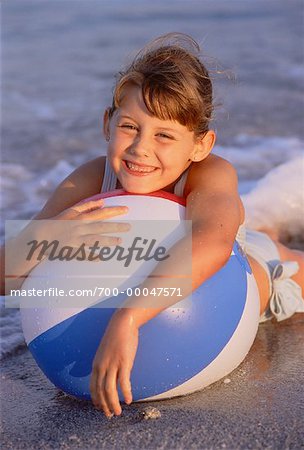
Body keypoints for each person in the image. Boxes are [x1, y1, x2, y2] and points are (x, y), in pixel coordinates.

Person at [1, 33, 303, 419]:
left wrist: (129, 317)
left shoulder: (210, 174)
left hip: (242, 273)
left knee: (285, 267)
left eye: (164, 135)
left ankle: (275, 242)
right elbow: (5, 276)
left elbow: (211, 243)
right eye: (130, 127)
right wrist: (50, 237)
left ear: (200, 145)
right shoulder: (90, 180)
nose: (141, 148)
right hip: (157, 254)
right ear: (107, 123)